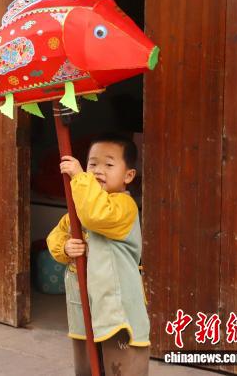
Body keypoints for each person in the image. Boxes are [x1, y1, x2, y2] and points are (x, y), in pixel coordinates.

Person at [47, 133, 150, 376]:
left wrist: (80, 178)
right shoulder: (81, 208)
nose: (98, 170)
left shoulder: (123, 206)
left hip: (117, 308)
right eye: (92, 164)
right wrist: (65, 247)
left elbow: (96, 215)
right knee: (86, 366)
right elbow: (57, 235)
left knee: (123, 365)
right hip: (85, 307)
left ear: (128, 176)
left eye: (109, 164)